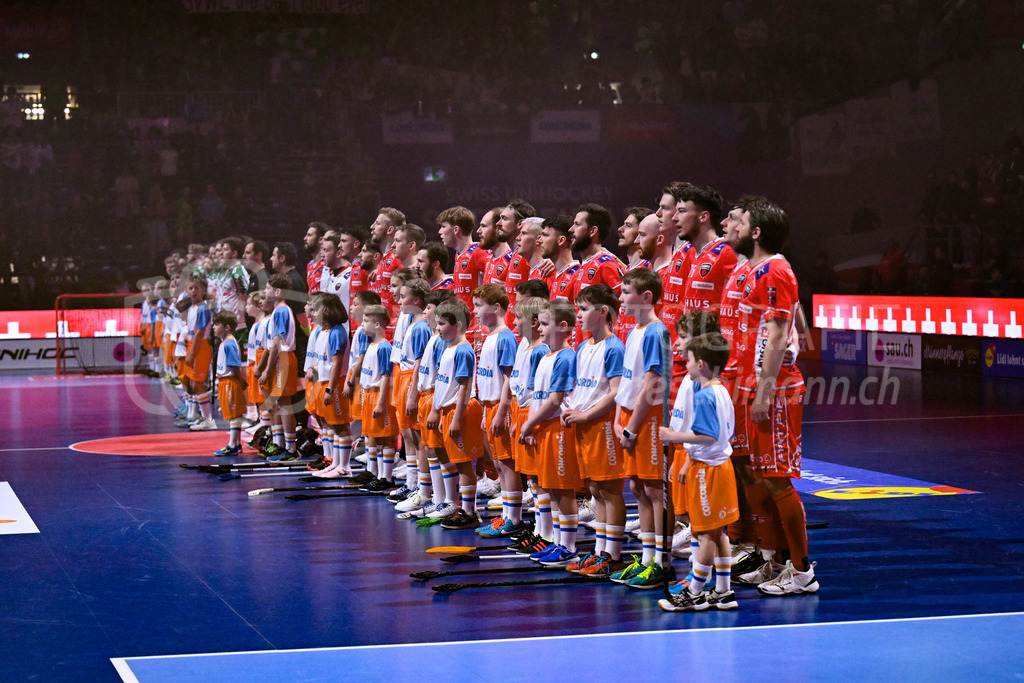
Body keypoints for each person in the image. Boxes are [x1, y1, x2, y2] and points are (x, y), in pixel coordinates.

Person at [731, 198, 818, 596]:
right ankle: (777, 562)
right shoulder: (755, 270)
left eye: (742, 220)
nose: (735, 224)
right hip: (754, 385)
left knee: (778, 480)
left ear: (757, 231)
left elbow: (779, 333)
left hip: (777, 388)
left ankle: (802, 572)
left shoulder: (776, 269)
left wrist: (764, 390)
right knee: (764, 479)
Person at [657, 332, 739, 611]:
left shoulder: (704, 396)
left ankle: (693, 592)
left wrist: (673, 435)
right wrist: (690, 462)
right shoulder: (722, 389)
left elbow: (705, 436)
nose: (685, 364)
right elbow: (721, 436)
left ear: (701, 364)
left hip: (709, 471)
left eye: (689, 360)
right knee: (718, 533)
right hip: (719, 466)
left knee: (704, 535)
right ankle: (724, 591)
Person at [560, 284, 628, 577]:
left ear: (603, 312)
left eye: (585, 309)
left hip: (601, 426)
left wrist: (586, 413)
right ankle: (601, 550)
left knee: (610, 490)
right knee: (594, 489)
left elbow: (615, 392)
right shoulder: (583, 347)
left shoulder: (613, 347)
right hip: (584, 426)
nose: (579, 315)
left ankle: (613, 555)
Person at [612, 267, 671, 589]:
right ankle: (648, 557)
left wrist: (632, 427)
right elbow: (628, 379)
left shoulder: (655, 331)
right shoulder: (634, 331)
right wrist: (618, 419)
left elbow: (653, 381)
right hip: (629, 417)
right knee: (636, 488)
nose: (619, 299)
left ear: (646, 297)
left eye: (625, 292)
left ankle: (662, 561)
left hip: (648, 419)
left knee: (653, 489)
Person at [518, 300, 580, 566]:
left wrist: (528, 424)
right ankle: (557, 541)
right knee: (552, 489)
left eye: (544, 324)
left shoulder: (566, 357)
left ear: (563, 327)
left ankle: (568, 546)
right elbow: (538, 397)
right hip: (545, 428)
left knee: (563, 490)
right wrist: (533, 426)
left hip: (559, 429)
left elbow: (554, 400)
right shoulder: (546, 356)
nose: (539, 329)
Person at [426, 298, 487, 528]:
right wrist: (441, 413)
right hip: (449, 410)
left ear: (458, 325)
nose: (438, 328)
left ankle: (469, 511)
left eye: (442, 323)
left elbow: (464, 387)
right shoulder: (450, 348)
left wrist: (456, 418)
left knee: (464, 464)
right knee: (457, 461)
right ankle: (463, 507)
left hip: (460, 410)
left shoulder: (463, 350)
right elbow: (444, 385)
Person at [397, 289, 456, 518]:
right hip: (425, 395)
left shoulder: (442, 342)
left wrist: (435, 407)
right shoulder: (433, 338)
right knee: (430, 448)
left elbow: (442, 376)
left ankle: (447, 500)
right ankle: (436, 497)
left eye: (429, 308)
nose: (425, 311)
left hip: (434, 398)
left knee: (439, 450)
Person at [471, 283, 523, 538]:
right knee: (499, 464)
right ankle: (506, 514)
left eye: (479, 306)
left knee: (507, 463)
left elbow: (509, 379)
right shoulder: (490, 336)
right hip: (489, 406)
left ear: (496, 307)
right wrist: (485, 412)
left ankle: (513, 517)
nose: (475, 311)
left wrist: (502, 412)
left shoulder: (505, 337)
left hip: (502, 407)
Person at [504, 297, 551, 555]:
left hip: (532, 416)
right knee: (533, 478)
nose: (514, 321)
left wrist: (530, 425)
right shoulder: (525, 345)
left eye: (519, 317)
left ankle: (546, 532)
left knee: (541, 478)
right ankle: (539, 530)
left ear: (534, 323)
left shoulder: (540, 350)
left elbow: (538, 394)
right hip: (522, 413)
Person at [388, 277, 432, 502]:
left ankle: (422, 488)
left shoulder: (421, 327)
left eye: (404, 296)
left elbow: (419, 363)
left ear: (416, 299)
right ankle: (413, 483)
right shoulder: (413, 323)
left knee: (417, 436)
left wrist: (413, 393)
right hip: (403, 378)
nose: (399, 300)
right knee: (409, 435)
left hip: (411, 381)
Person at [256, 273, 301, 461]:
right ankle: (280, 443)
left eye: (267, 289)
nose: (265, 292)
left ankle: (291, 449)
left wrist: (267, 369)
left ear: (278, 291)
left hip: (283, 358)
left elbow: (276, 343)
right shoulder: (277, 311)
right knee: (278, 403)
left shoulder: (282, 310)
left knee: (284, 403)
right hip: (279, 359)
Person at [357, 304, 400, 492]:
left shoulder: (384, 347)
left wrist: (381, 402)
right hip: (369, 395)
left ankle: (387, 477)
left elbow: (385, 376)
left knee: (385, 438)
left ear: (377, 324)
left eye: (366, 321)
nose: (362, 324)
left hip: (379, 396)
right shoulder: (372, 345)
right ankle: (377, 474)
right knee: (373, 436)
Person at [675, 185, 736, 315]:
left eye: (682, 211)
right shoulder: (691, 253)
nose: (675, 217)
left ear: (703, 217)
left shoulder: (726, 252)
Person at [310, 293, 352, 477]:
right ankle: (336, 463)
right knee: (329, 423)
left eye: (316, 308)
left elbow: (336, 363)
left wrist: (330, 388)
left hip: (334, 383)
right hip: (323, 381)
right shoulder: (325, 331)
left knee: (340, 424)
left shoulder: (337, 332)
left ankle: (344, 467)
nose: (313, 312)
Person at [437, 206, 489, 344]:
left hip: (476, 332)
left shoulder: (478, 251)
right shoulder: (459, 255)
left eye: (443, 226)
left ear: (456, 229)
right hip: (463, 330)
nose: (439, 231)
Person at [182, 275, 216, 432]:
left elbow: (200, 332)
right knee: (193, 384)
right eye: (190, 288)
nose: (193, 291)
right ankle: (202, 417)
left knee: (198, 384)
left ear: (203, 290)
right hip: (192, 345)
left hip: (200, 347)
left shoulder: (203, 308)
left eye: (196, 288)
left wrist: (191, 354)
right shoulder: (192, 308)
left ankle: (208, 419)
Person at [211, 311, 247, 456]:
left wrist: (240, 381)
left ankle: (233, 444)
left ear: (227, 327)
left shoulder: (229, 344)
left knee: (233, 413)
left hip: (229, 381)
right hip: (225, 381)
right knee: (233, 413)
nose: (213, 327)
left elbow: (234, 365)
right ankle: (236, 444)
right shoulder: (225, 343)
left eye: (216, 324)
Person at [499, 200, 538, 326]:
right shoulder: (514, 255)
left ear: (520, 223)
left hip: (523, 333)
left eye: (504, 219)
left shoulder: (529, 257)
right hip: (511, 329)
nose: (498, 224)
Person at [539, 214, 580, 304]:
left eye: (545, 235)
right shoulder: (548, 273)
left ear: (561, 240)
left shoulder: (578, 276)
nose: (540, 240)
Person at [303, 222, 329, 294]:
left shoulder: (328, 264)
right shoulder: (310, 265)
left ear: (320, 240)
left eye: (309, 235)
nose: (305, 238)